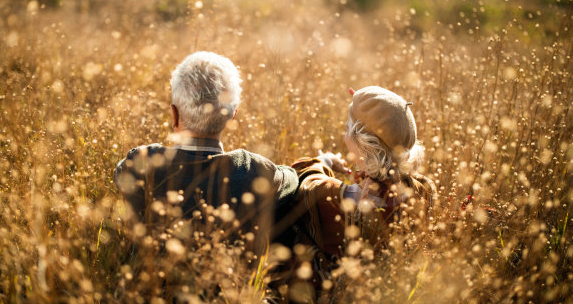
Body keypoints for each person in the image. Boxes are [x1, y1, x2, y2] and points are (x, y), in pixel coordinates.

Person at [114, 51, 298, 260]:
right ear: (232, 116)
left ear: (174, 114)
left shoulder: (142, 162)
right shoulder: (254, 169)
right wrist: (322, 162)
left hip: (151, 289)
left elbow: (120, 172)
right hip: (232, 291)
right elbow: (292, 178)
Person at [287, 86, 437, 291]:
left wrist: (324, 161)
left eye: (348, 128)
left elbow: (304, 182)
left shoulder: (340, 199)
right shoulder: (423, 188)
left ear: (360, 142)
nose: (345, 133)